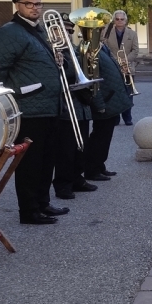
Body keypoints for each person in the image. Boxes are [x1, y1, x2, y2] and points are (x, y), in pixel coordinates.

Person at [0, 0, 68, 225]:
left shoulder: (38, 30)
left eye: (38, 3)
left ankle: (42, 203)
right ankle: (29, 211)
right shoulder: (10, 31)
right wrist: (17, 95)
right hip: (29, 108)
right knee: (30, 163)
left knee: (46, 159)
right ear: (18, 6)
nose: (35, 8)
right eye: (28, 4)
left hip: (49, 106)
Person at [52, 14, 94, 200]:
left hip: (81, 106)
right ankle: (63, 185)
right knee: (65, 151)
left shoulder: (75, 51)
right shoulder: (53, 51)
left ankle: (78, 179)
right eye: (62, 31)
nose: (67, 34)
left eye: (69, 31)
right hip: (65, 109)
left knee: (81, 146)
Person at [84, 29, 133, 181]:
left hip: (110, 99)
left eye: (103, 28)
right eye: (98, 29)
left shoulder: (102, 47)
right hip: (105, 100)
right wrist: (99, 104)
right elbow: (93, 78)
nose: (102, 31)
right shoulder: (90, 49)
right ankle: (92, 169)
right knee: (99, 137)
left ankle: (99, 165)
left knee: (105, 136)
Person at [101, 9, 139, 125]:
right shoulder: (107, 32)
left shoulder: (132, 33)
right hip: (113, 66)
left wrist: (126, 60)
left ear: (125, 20)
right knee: (115, 93)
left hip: (128, 67)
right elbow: (104, 47)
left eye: (122, 19)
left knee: (128, 93)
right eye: (117, 19)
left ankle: (127, 117)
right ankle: (115, 118)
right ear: (114, 20)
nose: (119, 21)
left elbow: (136, 50)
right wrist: (116, 60)